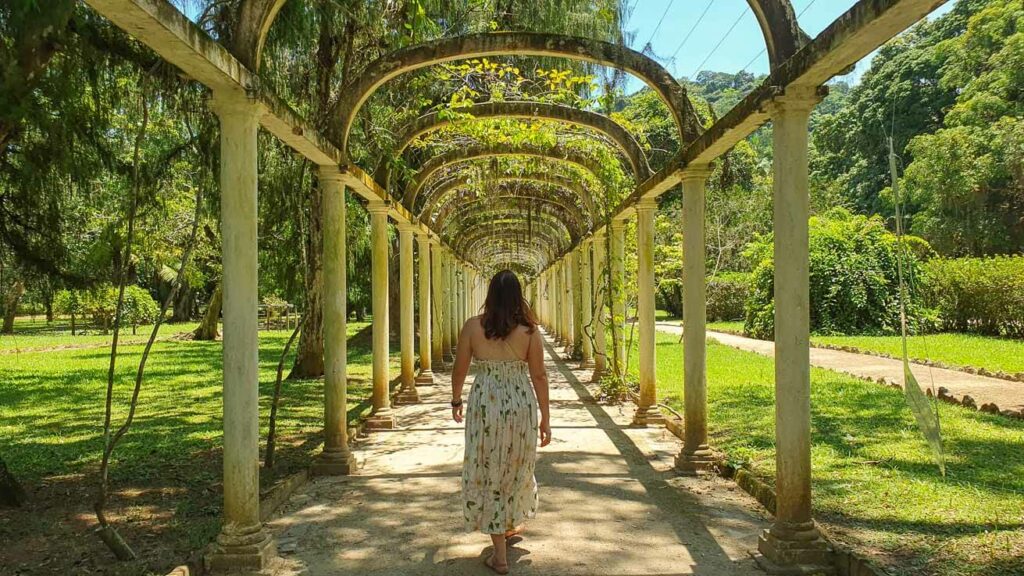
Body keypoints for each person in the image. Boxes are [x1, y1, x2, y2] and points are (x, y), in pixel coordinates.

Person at [451, 269, 552, 574]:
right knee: (514, 463)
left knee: (488, 466)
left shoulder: (472, 327)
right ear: (518, 296)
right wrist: (546, 418)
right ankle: (501, 553)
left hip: (485, 404)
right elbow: (539, 376)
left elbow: (459, 370)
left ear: (490, 295)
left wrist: (456, 400)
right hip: (519, 404)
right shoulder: (530, 332)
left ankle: (501, 545)